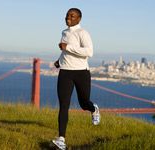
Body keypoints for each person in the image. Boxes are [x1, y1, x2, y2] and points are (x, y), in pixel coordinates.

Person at [52, 8, 100, 150]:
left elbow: (89, 52)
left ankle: (94, 109)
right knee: (64, 105)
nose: (68, 17)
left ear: (79, 18)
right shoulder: (64, 32)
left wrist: (68, 47)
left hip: (81, 73)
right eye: (67, 15)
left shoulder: (83, 33)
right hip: (65, 72)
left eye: (72, 15)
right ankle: (61, 139)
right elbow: (66, 53)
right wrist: (59, 61)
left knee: (83, 102)